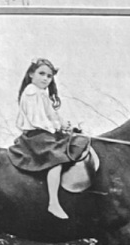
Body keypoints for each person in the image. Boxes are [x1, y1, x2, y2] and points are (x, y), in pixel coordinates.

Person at [8, 58, 88, 219]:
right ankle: (53, 202)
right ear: (31, 74)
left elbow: (52, 115)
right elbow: (37, 119)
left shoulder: (42, 94)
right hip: (37, 136)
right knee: (56, 159)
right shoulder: (31, 92)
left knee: (78, 143)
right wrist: (57, 127)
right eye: (41, 74)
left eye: (49, 76)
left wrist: (64, 125)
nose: (45, 78)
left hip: (46, 132)